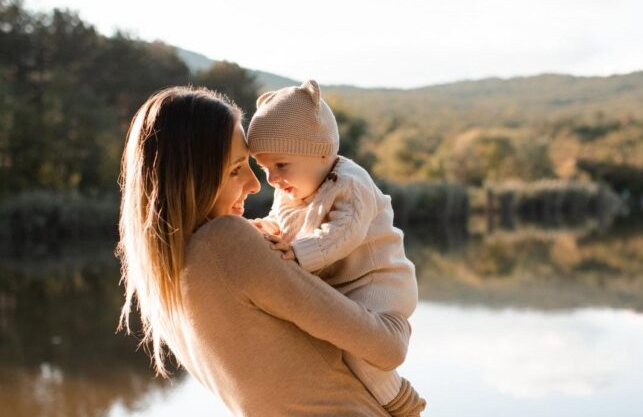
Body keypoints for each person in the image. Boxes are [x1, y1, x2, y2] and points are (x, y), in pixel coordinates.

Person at [117, 86, 419, 416]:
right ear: (191, 178)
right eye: (235, 169)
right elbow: (388, 347)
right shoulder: (226, 243)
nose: (255, 183)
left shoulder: (165, 279)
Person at [247, 80, 426, 416]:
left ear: (322, 152)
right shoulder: (291, 189)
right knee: (327, 342)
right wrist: (265, 230)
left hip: (377, 282)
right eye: (264, 168)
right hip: (342, 286)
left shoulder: (351, 184)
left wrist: (299, 253)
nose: (271, 178)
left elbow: (342, 233)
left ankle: (403, 403)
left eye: (280, 165)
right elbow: (282, 222)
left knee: (360, 347)